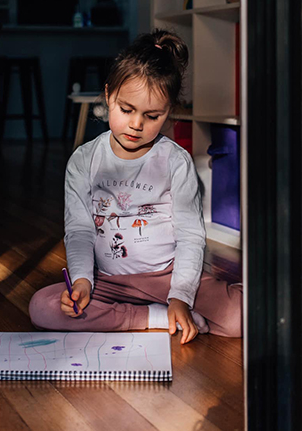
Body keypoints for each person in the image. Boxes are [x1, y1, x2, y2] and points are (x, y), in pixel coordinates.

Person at [29, 29, 242, 343]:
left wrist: (180, 295)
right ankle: (153, 318)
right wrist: (82, 281)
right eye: (126, 110)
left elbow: (190, 235)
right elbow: (80, 231)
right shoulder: (83, 160)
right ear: (108, 95)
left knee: (242, 317)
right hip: (107, 282)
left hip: (167, 278)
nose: (136, 124)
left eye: (152, 115)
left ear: (168, 112)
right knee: (43, 308)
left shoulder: (175, 161)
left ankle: (175, 311)